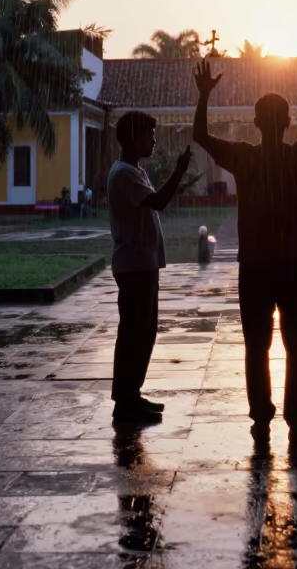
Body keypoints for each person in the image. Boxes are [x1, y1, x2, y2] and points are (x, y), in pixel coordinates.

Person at [192, 56, 297, 443]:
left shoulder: (244, 157)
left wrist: (204, 96)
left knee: (257, 344)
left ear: (256, 123)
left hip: (255, 265)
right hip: (292, 265)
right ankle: (296, 420)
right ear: (288, 122)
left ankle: (260, 416)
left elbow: (200, 136)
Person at [107, 110, 191, 423]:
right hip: (134, 266)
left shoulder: (133, 170)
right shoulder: (125, 174)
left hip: (141, 264)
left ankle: (132, 395)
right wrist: (180, 171)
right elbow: (158, 202)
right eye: (149, 134)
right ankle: (125, 403)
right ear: (132, 138)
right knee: (134, 333)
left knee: (143, 332)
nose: (154, 140)